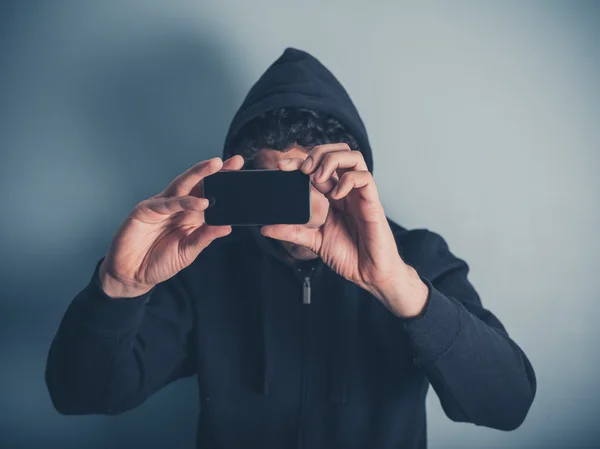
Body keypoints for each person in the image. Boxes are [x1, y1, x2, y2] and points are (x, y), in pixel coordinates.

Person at [45, 48, 536, 449]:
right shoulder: (206, 265)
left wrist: (395, 285)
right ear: (241, 181)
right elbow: (81, 394)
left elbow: (507, 404)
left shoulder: (418, 258)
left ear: (347, 176)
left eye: (304, 184)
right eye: (269, 186)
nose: (287, 210)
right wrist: (118, 288)